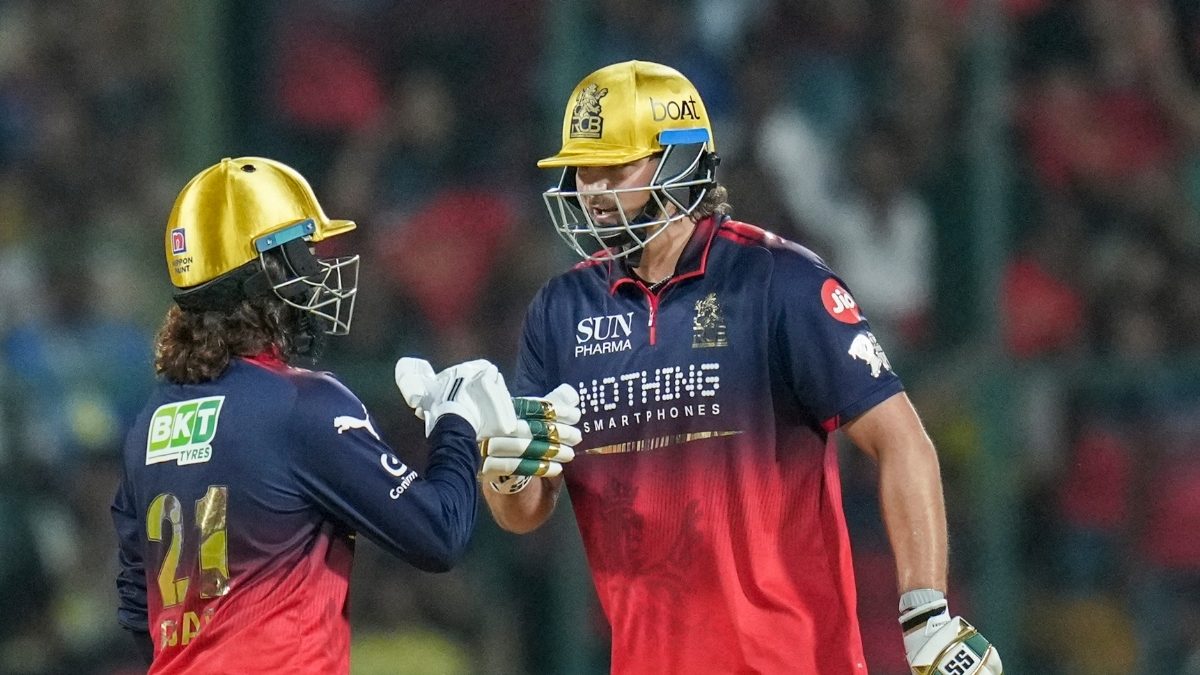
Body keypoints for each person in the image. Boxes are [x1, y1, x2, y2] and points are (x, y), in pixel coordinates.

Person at [482, 61, 1002, 674]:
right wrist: (506, 472)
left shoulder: (779, 281)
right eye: (582, 169)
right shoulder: (560, 310)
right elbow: (526, 513)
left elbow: (902, 441)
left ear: (677, 163)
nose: (591, 191)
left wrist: (927, 616)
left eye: (614, 169)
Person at [110, 157, 575, 674]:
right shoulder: (302, 404)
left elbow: (136, 604)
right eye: (303, 251)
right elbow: (439, 535)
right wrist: (455, 422)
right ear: (268, 270)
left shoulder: (148, 423)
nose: (316, 270)